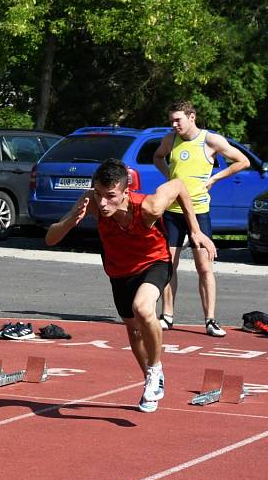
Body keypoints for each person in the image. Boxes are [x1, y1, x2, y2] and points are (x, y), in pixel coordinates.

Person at [45, 159, 217, 413]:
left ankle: (156, 369)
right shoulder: (91, 201)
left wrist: (195, 230)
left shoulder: (149, 206)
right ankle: (150, 378)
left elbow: (179, 185)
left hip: (154, 263)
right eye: (99, 194)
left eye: (110, 196)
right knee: (134, 332)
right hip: (119, 271)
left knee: (143, 309)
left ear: (126, 192)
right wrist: (71, 219)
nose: (103, 203)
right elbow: (51, 239)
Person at [153, 101, 249, 337]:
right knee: (168, 265)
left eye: (178, 120)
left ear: (192, 117)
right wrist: (170, 178)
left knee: (204, 266)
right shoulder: (170, 139)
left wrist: (215, 178)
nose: (174, 125)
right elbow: (158, 157)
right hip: (173, 212)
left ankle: (210, 320)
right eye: (171, 120)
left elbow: (243, 161)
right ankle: (167, 316)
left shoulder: (210, 140)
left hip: (198, 211)